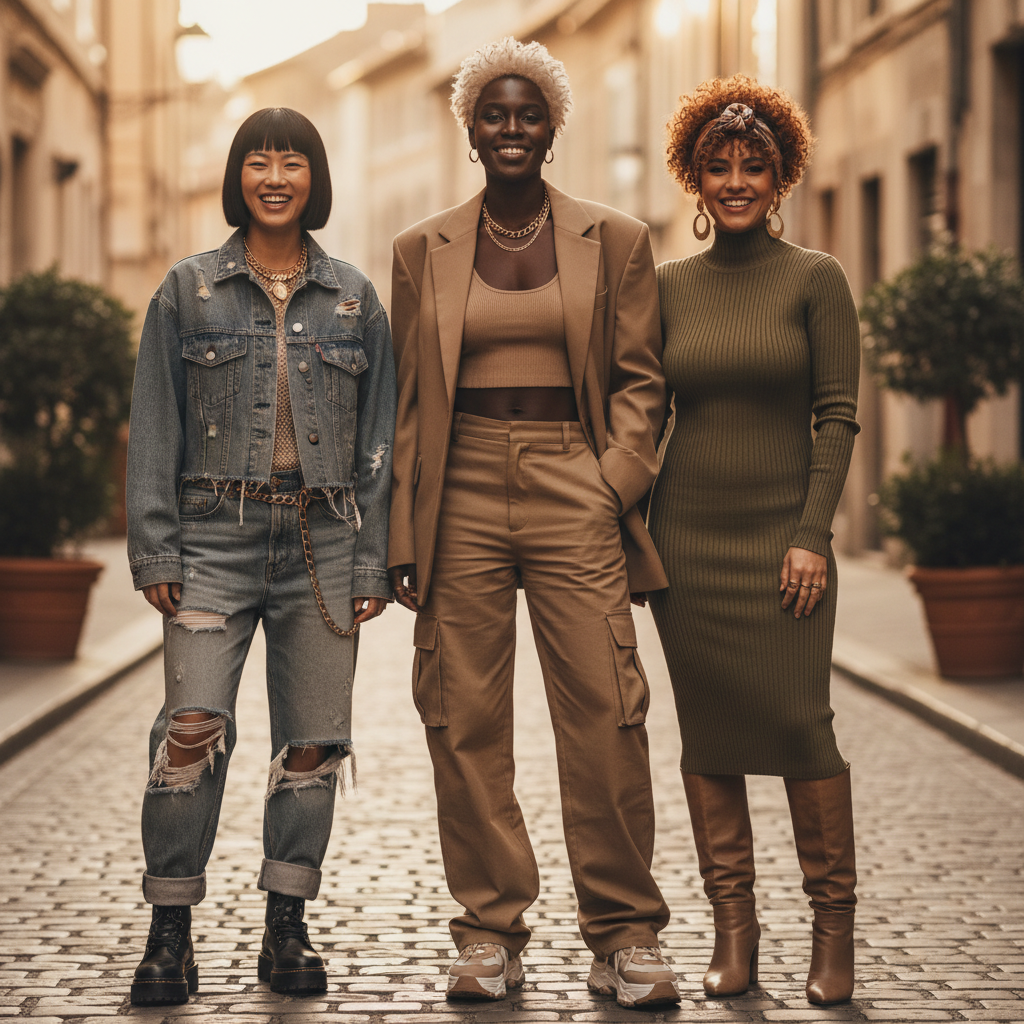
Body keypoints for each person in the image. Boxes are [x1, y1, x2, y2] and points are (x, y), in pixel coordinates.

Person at [386, 37, 679, 1009]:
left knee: (605, 708)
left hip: (573, 482)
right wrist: (401, 535)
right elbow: (408, 405)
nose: (510, 128)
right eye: (493, 114)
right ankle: (487, 928)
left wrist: (612, 481)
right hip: (457, 488)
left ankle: (624, 930)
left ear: (552, 126)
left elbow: (642, 380)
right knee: (463, 716)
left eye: (528, 113)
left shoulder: (619, 239)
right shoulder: (419, 249)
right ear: (470, 129)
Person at [125, 107, 395, 1006]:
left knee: (312, 746)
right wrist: (155, 542)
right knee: (189, 733)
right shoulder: (188, 290)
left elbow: (380, 444)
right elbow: (155, 424)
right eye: (258, 162)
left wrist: (370, 562)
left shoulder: (354, 297)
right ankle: (171, 930)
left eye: (292, 162)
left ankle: (287, 925)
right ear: (237, 174)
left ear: (315, 177)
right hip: (211, 537)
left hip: (321, 538)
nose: (275, 177)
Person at [646, 75, 861, 1006]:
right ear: (693, 177)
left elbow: (839, 416)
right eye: (717, 165)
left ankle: (833, 928)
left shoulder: (817, 279)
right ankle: (734, 932)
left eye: (753, 166)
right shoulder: (663, 288)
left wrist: (811, 533)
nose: (735, 180)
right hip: (687, 547)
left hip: (785, 546)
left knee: (801, 729)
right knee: (709, 737)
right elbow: (641, 416)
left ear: (782, 176)